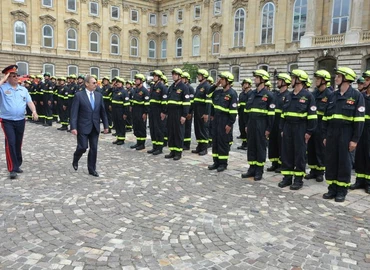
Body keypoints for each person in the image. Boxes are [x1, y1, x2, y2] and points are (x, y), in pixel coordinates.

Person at [322, 67, 365, 202]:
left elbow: (359, 121)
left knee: (344, 162)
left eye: (338, 76)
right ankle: (332, 188)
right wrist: (324, 136)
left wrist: (355, 140)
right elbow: (325, 118)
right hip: (332, 133)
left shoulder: (357, 96)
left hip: (346, 134)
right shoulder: (332, 96)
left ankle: (342, 190)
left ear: (346, 78)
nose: (335, 78)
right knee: (331, 161)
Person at [278, 69, 317, 190]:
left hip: (301, 128)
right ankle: (287, 178)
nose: (291, 80)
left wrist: (309, 131)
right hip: (288, 127)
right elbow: (283, 114)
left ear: (299, 80)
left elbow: (312, 116)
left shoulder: (308, 96)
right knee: (287, 153)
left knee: (299, 154)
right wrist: (282, 128)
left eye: (293, 77)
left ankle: (298, 179)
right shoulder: (288, 96)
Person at [0, 65, 39, 179]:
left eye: (16, 75)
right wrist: (4, 78)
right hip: (7, 120)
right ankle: (12, 168)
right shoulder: (3, 88)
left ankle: (17, 164)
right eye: (13, 76)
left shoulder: (23, 89)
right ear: (8, 77)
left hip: (20, 120)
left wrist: (34, 111)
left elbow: (29, 102)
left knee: (18, 142)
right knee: (10, 142)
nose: (16, 78)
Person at [70, 75, 109, 177]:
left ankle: (92, 169)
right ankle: (76, 157)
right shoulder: (79, 95)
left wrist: (106, 126)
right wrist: (73, 127)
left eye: (96, 83)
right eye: (94, 83)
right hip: (83, 126)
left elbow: (103, 112)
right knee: (83, 147)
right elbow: (74, 113)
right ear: (87, 84)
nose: (96, 84)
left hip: (95, 126)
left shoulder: (99, 96)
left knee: (94, 148)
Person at [242, 69, 275, 181]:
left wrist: (268, 129)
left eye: (256, 78)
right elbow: (247, 111)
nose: (254, 79)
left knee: (260, 147)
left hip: (262, 124)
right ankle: (252, 168)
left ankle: (259, 170)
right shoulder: (251, 94)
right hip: (251, 123)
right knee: (251, 146)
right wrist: (246, 124)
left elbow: (271, 115)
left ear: (262, 80)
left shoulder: (269, 95)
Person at [207, 72, 238, 172]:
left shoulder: (232, 94)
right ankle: (216, 162)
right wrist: (215, 85)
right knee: (215, 141)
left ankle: (223, 163)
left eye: (222, 79)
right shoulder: (218, 92)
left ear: (228, 81)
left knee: (223, 142)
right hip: (216, 120)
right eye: (220, 79)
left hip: (225, 121)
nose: (220, 81)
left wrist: (230, 124)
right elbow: (208, 93)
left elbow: (233, 112)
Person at [305, 70, 332, 182]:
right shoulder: (313, 94)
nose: (316, 81)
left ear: (324, 81)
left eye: (318, 79)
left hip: (322, 126)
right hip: (313, 125)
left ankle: (320, 171)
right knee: (311, 149)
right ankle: (313, 170)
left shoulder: (330, 95)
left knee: (320, 150)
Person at [161, 68, 190, 160]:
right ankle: (172, 151)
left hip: (179, 113)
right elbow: (168, 101)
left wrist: (184, 115)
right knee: (171, 132)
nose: (173, 76)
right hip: (171, 113)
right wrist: (165, 112)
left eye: (175, 74)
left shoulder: (184, 87)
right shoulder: (171, 87)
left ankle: (178, 152)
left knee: (178, 133)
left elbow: (186, 102)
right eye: (173, 74)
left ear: (179, 76)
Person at [267, 73, 291, 173]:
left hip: (282, 123)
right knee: (273, 144)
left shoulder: (288, 95)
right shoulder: (275, 94)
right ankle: (274, 163)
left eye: (279, 80)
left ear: (285, 82)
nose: (277, 82)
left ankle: (282, 164)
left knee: (282, 144)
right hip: (274, 122)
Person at [350, 71, 370, 193]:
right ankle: (359, 180)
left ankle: (368, 182)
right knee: (359, 155)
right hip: (361, 129)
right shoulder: (361, 96)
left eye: (367, 80)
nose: (364, 82)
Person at [191, 69, 211, 155]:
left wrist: (206, 113)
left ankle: (204, 148)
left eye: (199, 75)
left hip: (203, 112)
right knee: (198, 129)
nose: (198, 76)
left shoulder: (207, 86)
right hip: (197, 111)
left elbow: (208, 102)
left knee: (203, 129)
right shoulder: (199, 86)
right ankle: (199, 146)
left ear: (204, 76)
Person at [148, 70, 168, 155]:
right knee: (152, 129)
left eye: (156, 76)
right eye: (154, 76)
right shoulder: (153, 86)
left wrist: (163, 111)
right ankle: (154, 146)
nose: (154, 77)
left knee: (159, 129)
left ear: (159, 77)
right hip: (152, 111)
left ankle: (159, 148)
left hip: (159, 111)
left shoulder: (162, 87)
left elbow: (164, 101)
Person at [130, 74, 149, 150]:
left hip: (141, 111)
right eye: (135, 79)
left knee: (141, 127)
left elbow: (147, 103)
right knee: (136, 126)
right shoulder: (135, 90)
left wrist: (145, 113)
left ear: (141, 81)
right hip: (135, 110)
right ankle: (138, 142)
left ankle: (142, 144)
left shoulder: (144, 91)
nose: (135, 81)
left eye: (137, 79)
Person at [181, 72, 195, 151]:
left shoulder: (190, 88)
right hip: (184, 111)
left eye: (183, 78)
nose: (182, 79)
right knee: (183, 127)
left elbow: (192, 102)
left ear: (187, 79)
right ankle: (183, 142)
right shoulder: (183, 87)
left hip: (189, 112)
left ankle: (187, 144)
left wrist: (189, 112)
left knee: (187, 128)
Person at [237, 78, 252, 150]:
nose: (244, 85)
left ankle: (248, 144)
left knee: (247, 129)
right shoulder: (241, 94)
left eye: (245, 84)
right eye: (243, 84)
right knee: (242, 128)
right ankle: (244, 143)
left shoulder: (252, 94)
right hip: (241, 114)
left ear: (249, 85)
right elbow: (239, 104)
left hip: (248, 115)